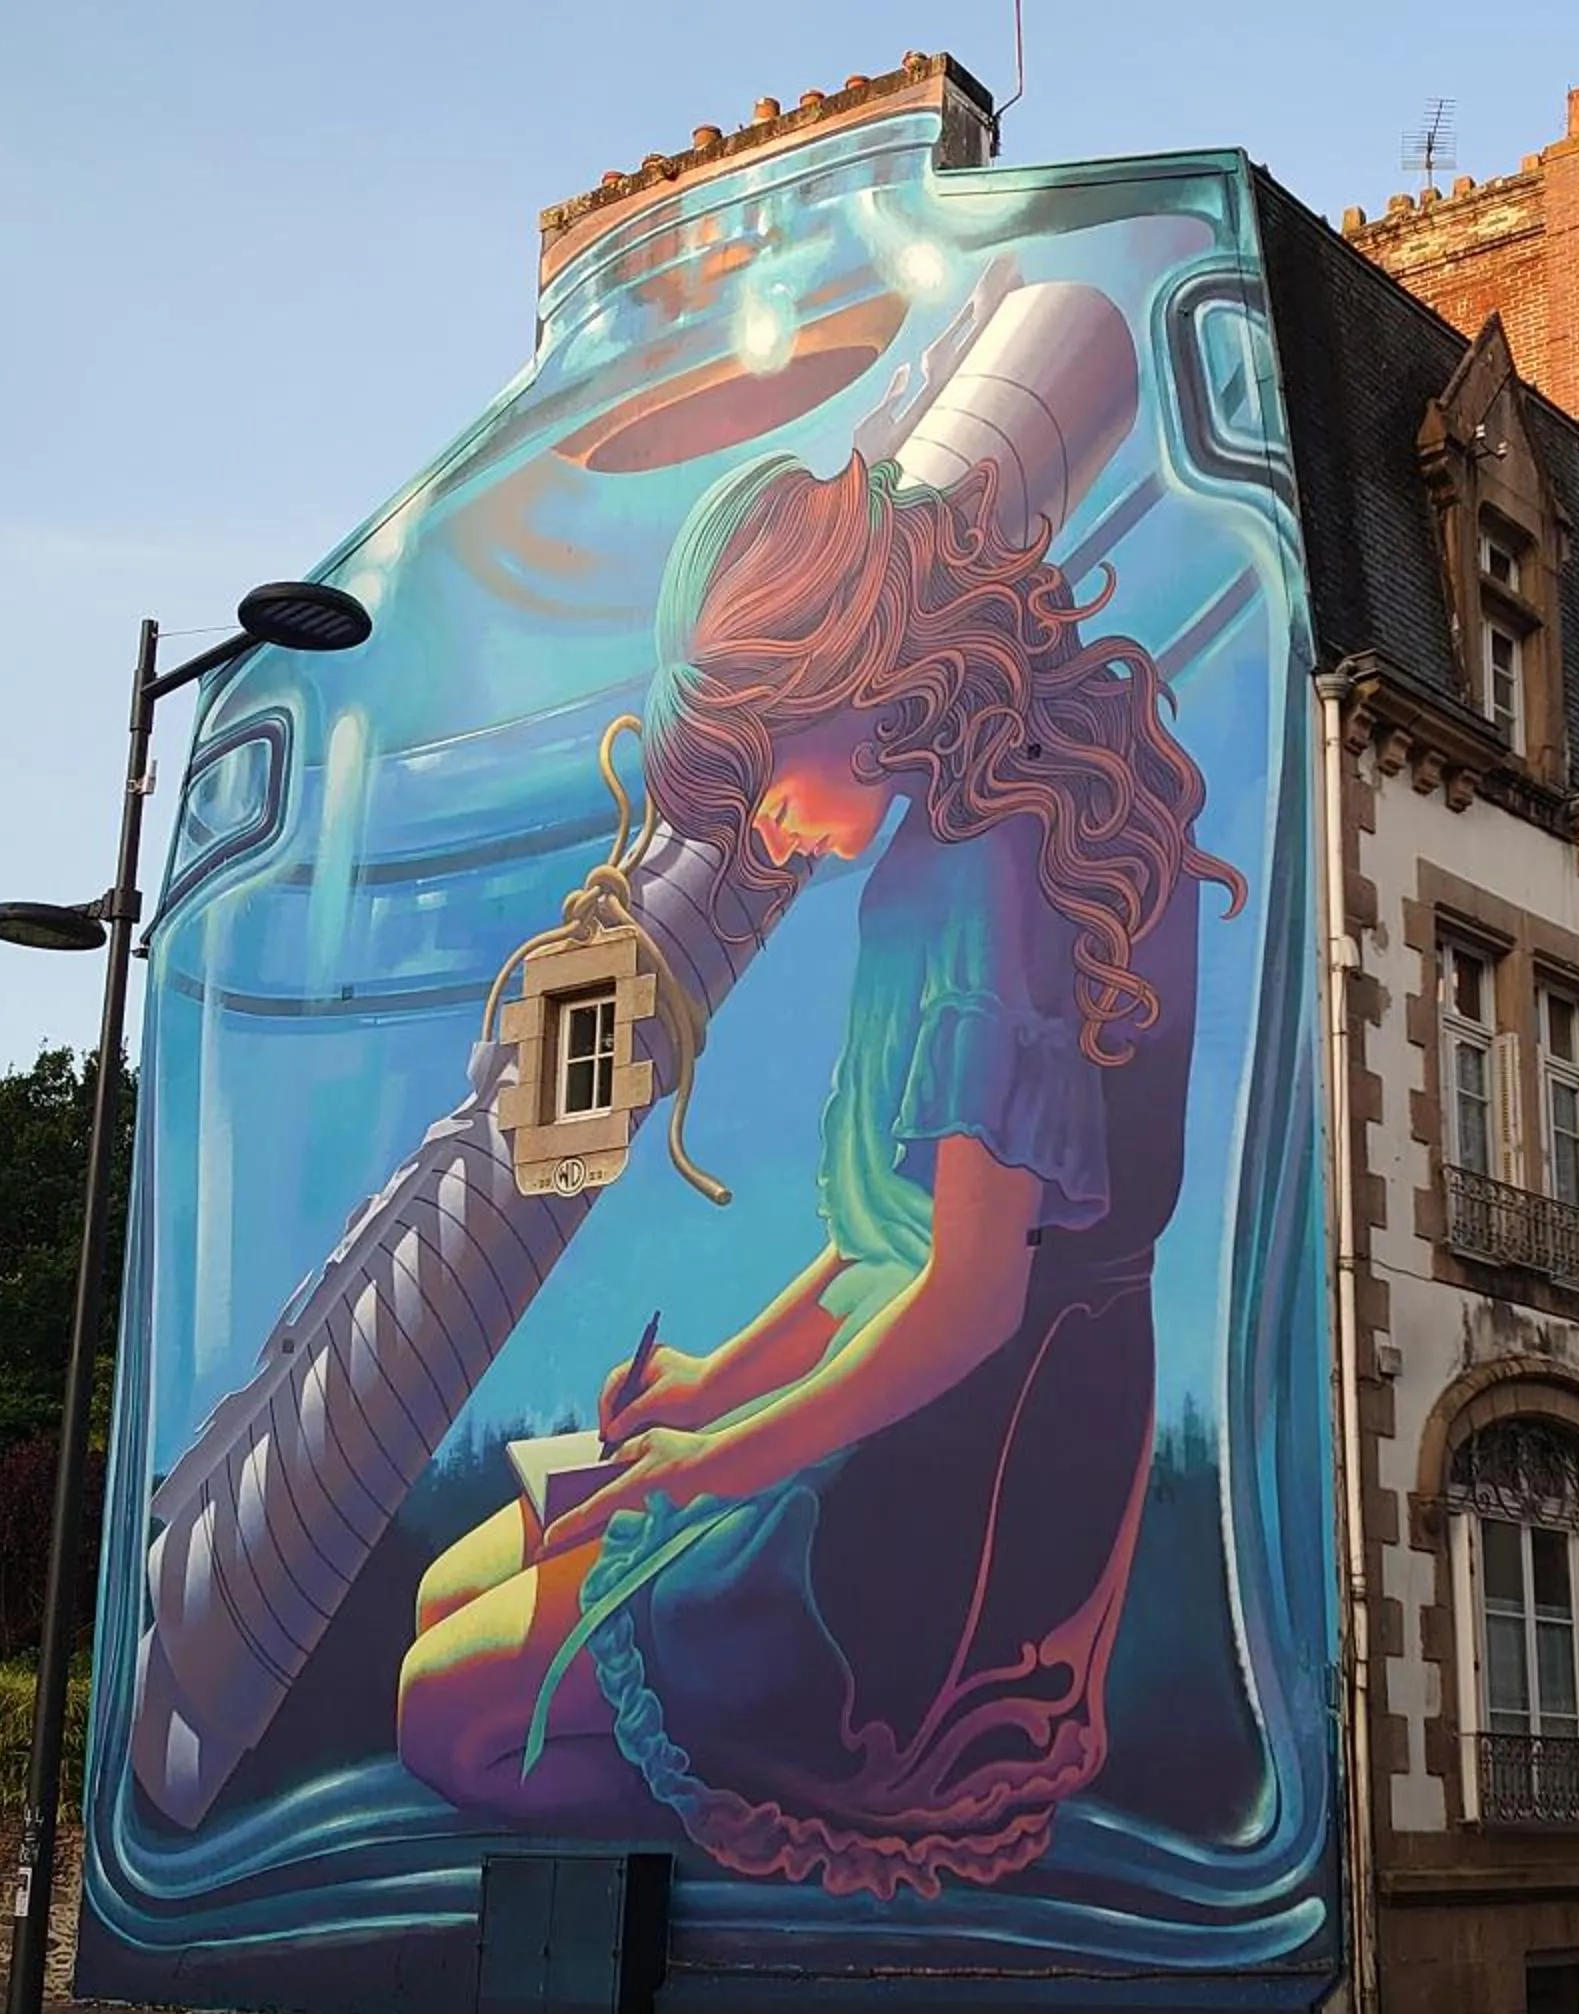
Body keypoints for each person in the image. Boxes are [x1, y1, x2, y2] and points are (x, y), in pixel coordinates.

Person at [395, 449, 1243, 1902]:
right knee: (443, 1591)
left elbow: (968, 1302)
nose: (757, 832)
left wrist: (716, 1457)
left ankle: (770, 1824)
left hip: (943, 1486)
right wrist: (707, 1387)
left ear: (848, 688)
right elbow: (877, 1247)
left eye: (753, 781)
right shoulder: (938, 860)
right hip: (893, 1404)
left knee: (442, 1707)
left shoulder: (983, 880)